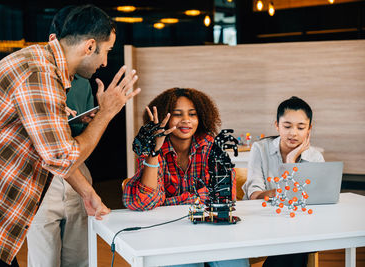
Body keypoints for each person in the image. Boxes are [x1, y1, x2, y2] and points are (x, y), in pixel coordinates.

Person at [0, 4, 140, 267]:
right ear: (90, 46)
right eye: (107, 51)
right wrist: (106, 112)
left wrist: (87, 193)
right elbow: (63, 157)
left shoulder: (40, 63)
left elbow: (50, 150)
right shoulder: (41, 75)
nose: (105, 62)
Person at [123, 88, 249, 267]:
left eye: (192, 114)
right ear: (164, 119)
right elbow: (144, 202)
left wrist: (168, 201)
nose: (186, 120)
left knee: (235, 263)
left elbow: (223, 198)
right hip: (169, 233)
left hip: (213, 231)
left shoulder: (211, 147)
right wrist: (154, 151)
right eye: (177, 114)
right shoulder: (152, 152)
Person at [26, 6, 95, 267]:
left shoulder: (82, 82)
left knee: (80, 258)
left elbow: (81, 139)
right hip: (41, 174)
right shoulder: (36, 75)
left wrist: (90, 120)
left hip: (77, 170)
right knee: (44, 258)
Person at [242, 96, 324, 267]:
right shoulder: (260, 148)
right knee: (296, 244)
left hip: (297, 226)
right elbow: (255, 195)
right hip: (260, 223)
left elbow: (318, 201)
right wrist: (288, 191)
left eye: (301, 127)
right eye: (287, 126)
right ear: (277, 125)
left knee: (297, 240)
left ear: (309, 129)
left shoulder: (315, 157)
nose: (293, 133)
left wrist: (291, 160)